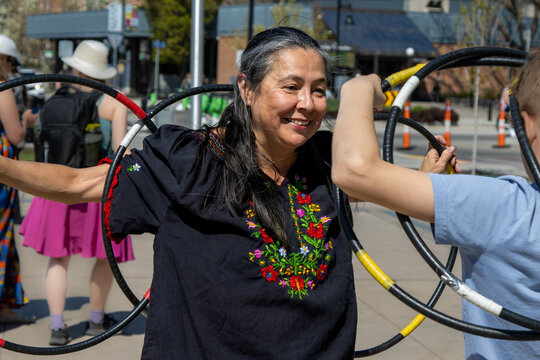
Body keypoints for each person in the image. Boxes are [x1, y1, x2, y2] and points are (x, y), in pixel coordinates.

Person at [0, 28, 444, 357]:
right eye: (291, 87)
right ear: (247, 89)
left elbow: (407, 198)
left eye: (320, 90)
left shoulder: (337, 161)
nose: (307, 104)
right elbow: (79, 184)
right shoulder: (187, 160)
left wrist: (428, 175)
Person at [332, 52, 540, 359]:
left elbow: (354, 170)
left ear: (524, 126)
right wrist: (424, 181)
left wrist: (357, 89)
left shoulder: (509, 208)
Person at [19, 40, 134, 346]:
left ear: (75, 67)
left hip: (57, 187)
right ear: (104, 71)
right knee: (104, 259)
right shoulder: (114, 102)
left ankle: (57, 327)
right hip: (96, 189)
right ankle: (96, 319)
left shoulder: (56, 97)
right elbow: (122, 152)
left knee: (58, 260)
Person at [0, 34, 36, 325]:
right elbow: (15, 136)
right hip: (2, 170)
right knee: (1, 236)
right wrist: (26, 122)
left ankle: (5, 306)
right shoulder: (4, 90)